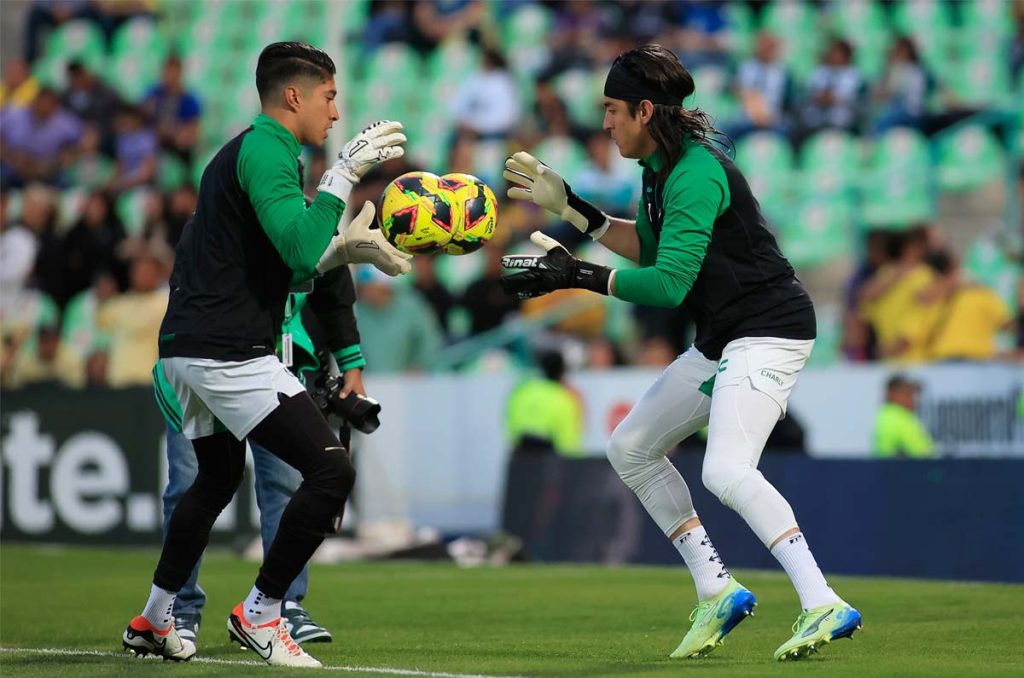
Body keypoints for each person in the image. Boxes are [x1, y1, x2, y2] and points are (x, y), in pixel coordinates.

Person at [500, 44, 861, 662]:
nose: (605, 123)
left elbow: (668, 284)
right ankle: (716, 588)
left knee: (724, 470)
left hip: (770, 329)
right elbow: (648, 247)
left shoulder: (694, 172)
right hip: (725, 336)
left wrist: (577, 277)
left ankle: (822, 600)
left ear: (645, 110)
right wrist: (576, 211)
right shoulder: (659, 168)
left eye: (613, 110)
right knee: (630, 448)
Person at [120, 41, 410, 667]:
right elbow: (301, 254)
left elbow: (281, 264)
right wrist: (344, 173)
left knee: (218, 478)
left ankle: (154, 618)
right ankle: (262, 612)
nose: (336, 114)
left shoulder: (250, 152)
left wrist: (342, 254)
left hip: (186, 349)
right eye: (330, 98)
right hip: (229, 350)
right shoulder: (269, 150)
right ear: (294, 96)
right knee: (331, 471)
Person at [154, 264, 369, 647]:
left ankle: (279, 607)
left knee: (285, 485)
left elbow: (332, 287)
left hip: (271, 365)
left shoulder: (311, 214)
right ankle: (176, 610)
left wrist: (350, 361)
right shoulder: (221, 218)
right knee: (192, 484)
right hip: (208, 357)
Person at [505, 350, 584, 457]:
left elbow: (511, 424)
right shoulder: (565, 399)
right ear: (562, 371)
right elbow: (569, 444)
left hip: (520, 457)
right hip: (547, 462)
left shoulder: (523, 392)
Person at [872, 373, 935, 458]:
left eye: (914, 394)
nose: (914, 399)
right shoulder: (900, 418)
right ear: (892, 394)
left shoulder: (885, 415)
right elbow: (925, 455)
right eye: (907, 393)